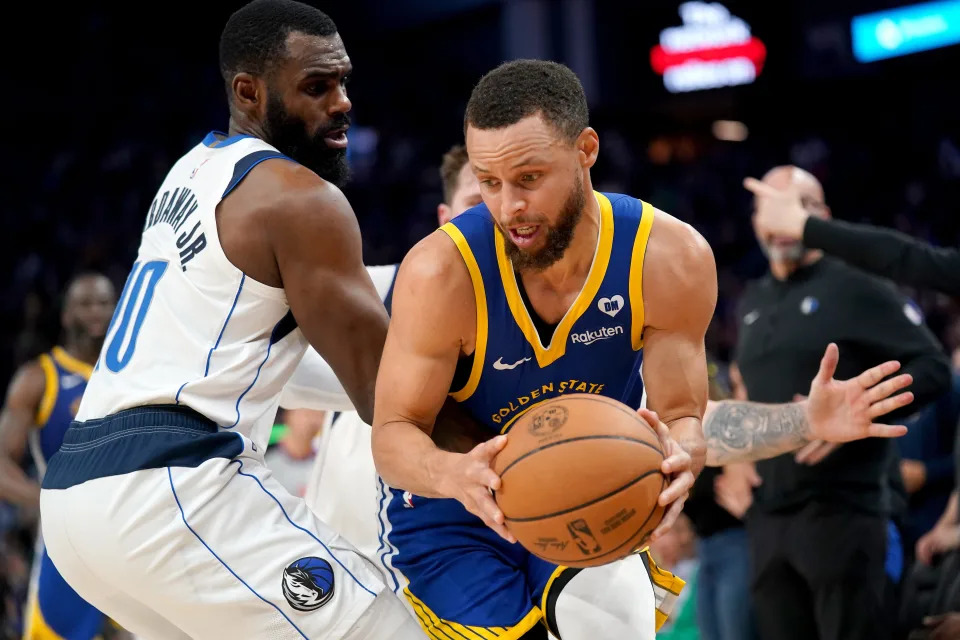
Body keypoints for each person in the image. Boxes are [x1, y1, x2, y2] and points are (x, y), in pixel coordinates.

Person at [371, 60, 917, 640]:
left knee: (615, 623)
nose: (509, 207)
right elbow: (393, 433)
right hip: (450, 516)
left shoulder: (668, 257)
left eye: (529, 178)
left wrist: (683, 456)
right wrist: (454, 473)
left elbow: (683, 414)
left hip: (585, 495)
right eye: (489, 181)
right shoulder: (439, 272)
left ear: (586, 150)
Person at [37, 1, 422, 638]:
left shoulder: (192, 172)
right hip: (171, 486)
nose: (344, 103)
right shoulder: (300, 199)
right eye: (317, 88)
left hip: (79, 503)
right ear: (249, 91)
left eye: (344, 82)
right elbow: (391, 397)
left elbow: (268, 366)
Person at [736, 166, 951, 640]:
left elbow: (934, 368)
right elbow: (742, 385)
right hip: (768, 520)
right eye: (770, 205)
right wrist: (732, 456)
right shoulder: (750, 300)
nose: (783, 218)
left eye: (802, 205)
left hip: (845, 513)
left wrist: (862, 411)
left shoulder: (856, 284)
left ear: (824, 217)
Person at [303, 143, 481, 566]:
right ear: (445, 219)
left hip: (459, 564)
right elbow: (278, 374)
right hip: (345, 561)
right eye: (477, 201)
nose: (494, 215)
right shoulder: (374, 290)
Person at [0, 273, 117, 640]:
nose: (96, 311)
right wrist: (44, 499)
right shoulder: (40, 377)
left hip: (128, 529)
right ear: (66, 315)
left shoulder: (134, 375)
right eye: (86, 304)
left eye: (103, 303)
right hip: (66, 541)